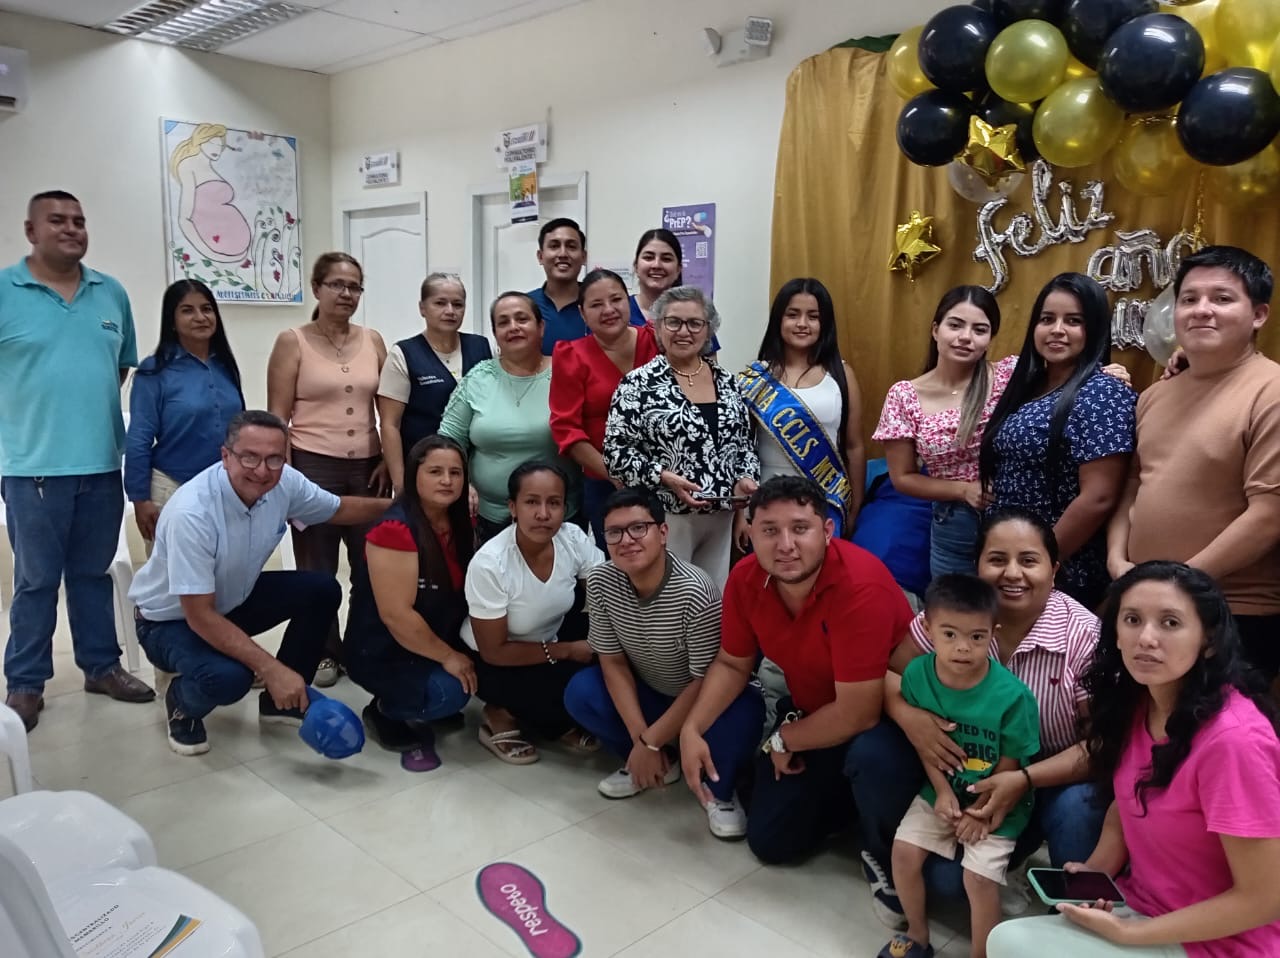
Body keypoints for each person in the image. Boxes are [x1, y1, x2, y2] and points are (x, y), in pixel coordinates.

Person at [987, 562, 1280, 957]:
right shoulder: (1141, 701)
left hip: (1218, 941)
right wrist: (1096, 871)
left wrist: (1130, 935)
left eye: (1170, 623)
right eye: (1132, 619)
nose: (1146, 638)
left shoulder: (1234, 741)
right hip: (1142, 905)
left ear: (1209, 640)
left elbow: (1265, 898)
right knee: (1011, 939)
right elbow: (1129, 801)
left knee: (1009, 942)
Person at [849, 507, 1104, 929]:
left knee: (1083, 804)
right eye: (997, 559)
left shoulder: (1084, 635)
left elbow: (1101, 744)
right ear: (977, 565)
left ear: (1054, 569)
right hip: (963, 772)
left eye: (1029, 560)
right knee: (872, 750)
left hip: (1048, 779)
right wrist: (910, 717)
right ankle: (887, 860)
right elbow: (891, 675)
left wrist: (1023, 779)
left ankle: (1074, 919)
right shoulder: (951, 615)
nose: (1012, 573)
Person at [127, 411, 391, 756]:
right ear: (226, 456)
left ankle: (281, 703)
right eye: (249, 457)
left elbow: (338, 509)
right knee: (230, 677)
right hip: (169, 621)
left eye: (274, 459)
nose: (263, 470)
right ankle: (181, 704)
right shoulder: (192, 514)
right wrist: (271, 669)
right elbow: (200, 616)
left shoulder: (284, 483)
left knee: (322, 590)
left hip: (230, 601)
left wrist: (405, 505)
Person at [680, 476, 914, 864]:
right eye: (770, 530)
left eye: (800, 529)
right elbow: (733, 663)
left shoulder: (859, 586)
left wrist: (784, 740)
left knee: (868, 759)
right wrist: (691, 728)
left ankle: (884, 844)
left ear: (827, 531)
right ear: (750, 533)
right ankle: (844, 802)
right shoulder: (745, 579)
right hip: (816, 711)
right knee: (771, 840)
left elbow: (859, 713)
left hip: (885, 723)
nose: (785, 545)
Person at [1, 190, 155, 730]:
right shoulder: (4, 290)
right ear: (31, 231)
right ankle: (25, 683)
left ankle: (101, 666)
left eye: (79, 221)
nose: (71, 228)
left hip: (101, 464)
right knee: (37, 581)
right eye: (57, 220)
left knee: (92, 574)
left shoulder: (110, 293)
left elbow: (119, 369)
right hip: (32, 468)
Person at [1107, 247, 1280, 684]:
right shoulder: (1154, 395)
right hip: (1143, 606)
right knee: (1136, 725)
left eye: (1222, 298)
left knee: (1213, 728)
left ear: (1258, 315)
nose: (1202, 309)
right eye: (1189, 298)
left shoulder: (1271, 391)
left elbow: (1268, 516)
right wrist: (1116, 560)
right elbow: (1134, 486)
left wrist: (1179, 582)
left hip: (1230, 611)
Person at [563, 487, 764, 837]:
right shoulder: (600, 581)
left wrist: (651, 740)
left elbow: (704, 680)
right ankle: (656, 763)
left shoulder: (696, 590)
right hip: (653, 690)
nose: (627, 540)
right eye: (615, 532)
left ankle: (720, 791)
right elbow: (613, 662)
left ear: (663, 532)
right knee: (582, 692)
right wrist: (642, 740)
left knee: (746, 711)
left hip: (702, 700)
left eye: (639, 528)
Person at [878, 574, 1040, 958]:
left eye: (976, 637)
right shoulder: (917, 675)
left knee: (978, 879)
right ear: (927, 629)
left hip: (997, 802)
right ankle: (917, 934)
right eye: (949, 634)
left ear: (993, 634)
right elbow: (927, 746)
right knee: (903, 852)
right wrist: (942, 791)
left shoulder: (1013, 697)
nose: (963, 647)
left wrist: (981, 813)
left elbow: (1010, 765)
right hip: (943, 789)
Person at [267, 251, 390, 686]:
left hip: (369, 469)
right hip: (313, 467)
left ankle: (360, 647)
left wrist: (388, 460)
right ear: (316, 288)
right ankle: (323, 651)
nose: (346, 294)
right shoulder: (292, 341)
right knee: (317, 570)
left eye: (354, 286)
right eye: (337, 284)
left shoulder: (373, 340)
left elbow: (388, 411)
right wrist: (285, 478)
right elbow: (278, 417)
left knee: (370, 566)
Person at [980, 273, 1136, 609]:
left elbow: (1099, 497)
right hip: (1010, 560)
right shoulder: (1029, 385)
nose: (1057, 330)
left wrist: (1041, 562)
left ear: (1095, 329)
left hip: (1060, 570)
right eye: (1047, 319)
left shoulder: (1103, 393)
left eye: (1073, 321)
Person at [604, 286, 759, 588]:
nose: (684, 332)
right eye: (673, 322)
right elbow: (615, 454)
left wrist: (745, 481)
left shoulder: (729, 383)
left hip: (722, 515)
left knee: (713, 597)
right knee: (670, 598)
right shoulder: (637, 384)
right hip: (665, 516)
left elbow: (745, 446)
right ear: (658, 327)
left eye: (694, 323)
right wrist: (663, 477)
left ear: (708, 330)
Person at [344, 435, 477, 772]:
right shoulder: (394, 529)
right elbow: (396, 616)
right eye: (435, 471)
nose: (447, 480)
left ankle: (421, 697)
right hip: (384, 650)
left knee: (485, 669)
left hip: (430, 638)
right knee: (450, 693)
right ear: (414, 474)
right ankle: (385, 711)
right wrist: (449, 657)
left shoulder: (458, 521)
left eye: (455, 473)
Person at [462, 461, 604, 763]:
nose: (543, 514)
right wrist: (567, 651)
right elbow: (494, 651)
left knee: (609, 669)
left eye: (554, 503)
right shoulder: (490, 563)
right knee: (566, 696)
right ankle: (500, 713)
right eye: (531, 502)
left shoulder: (572, 537)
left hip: (549, 639)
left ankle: (549, 713)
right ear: (513, 507)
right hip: (494, 660)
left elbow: (605, 593)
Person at [874, 286, 1010, 576]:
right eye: (955, 325)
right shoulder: (904, 396)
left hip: (1016, 518)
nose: (966, 337)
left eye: (979, 329)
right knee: (955, 603)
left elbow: (1065, 380)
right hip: (954, 525)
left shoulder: (1009, 376)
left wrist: (1105, 372)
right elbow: (903, 478)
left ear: (990, 339)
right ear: (936, 330)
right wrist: (963, 490)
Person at [440, 292, 580, 542]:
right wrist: (463, 484)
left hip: (556, 516)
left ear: (541, 327)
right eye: (503, 322)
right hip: (488, 516)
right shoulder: (478, 377)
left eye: (522, 319)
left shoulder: (566, 371)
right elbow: (448, 442)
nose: (513, 327)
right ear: (495, 334)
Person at [739, 277, 864, 544]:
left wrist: (855, 507)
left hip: (826, 499)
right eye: (793, 314)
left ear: (824, 323)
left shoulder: (842, 375)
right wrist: (740, 511)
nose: (802, 324)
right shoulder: (755, 378)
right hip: (766, 499)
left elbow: (854, 447)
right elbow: (740, 449)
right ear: (778, 320)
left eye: (813, 316)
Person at [126, 279, 246, 555]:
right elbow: (139, 438)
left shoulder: (225, 365)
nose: (200, 317)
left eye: (207, 309)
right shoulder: (154, 371)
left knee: (223, 570)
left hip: (224, 488)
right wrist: (140, 499)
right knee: (172, 575)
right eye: (187, 310)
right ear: (172, 320)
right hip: (171, 487)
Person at [550, 268, 659, 547]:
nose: (608, 310)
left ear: (628, 300)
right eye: (596, 304)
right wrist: (617, 474)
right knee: (621, 560)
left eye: (616, 299)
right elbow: (566, 429)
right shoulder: (571, 355)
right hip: (605, 483)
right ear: (582, 313)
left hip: (666, 479)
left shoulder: (656, 342)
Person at [377, 273, 491, 495]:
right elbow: (390, 425)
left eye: (457, 304)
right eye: (440, 303)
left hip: (474, 470)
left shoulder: (481, 347)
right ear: (422, 308)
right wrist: (400, 483)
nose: (450, 311)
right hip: (423, 469)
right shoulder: (404, 353)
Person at [529, 218, 635, 354]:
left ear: (584, 256)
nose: (563, 254)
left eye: (571, 246)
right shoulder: (526, 306)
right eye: (554, 246)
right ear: (540, 256)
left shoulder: (605, 307)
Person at [628, 228, 683, 326]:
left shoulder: (693, 315)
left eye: (666, 259)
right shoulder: (618, 312)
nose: (656, 265)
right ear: (636, 266)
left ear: (678, 269)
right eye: (648, 258)